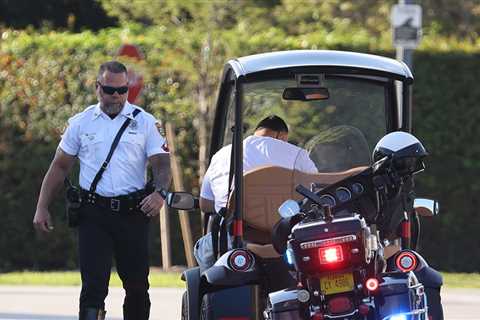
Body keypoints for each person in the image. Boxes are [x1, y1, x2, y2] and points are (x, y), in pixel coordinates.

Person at [33, 61, 171, 320]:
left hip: (133, 213)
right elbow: (60, 167)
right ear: (98, 88)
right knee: (93, 288)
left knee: (137, 286)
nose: (116, 96)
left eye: (122, 90)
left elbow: (162, 165)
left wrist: (159, 193)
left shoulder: (145, 123)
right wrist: (42, 207)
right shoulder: (81, 122)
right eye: (110, 89)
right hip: (94, 214)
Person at [195, 115, 317, 269]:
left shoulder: (222, 155)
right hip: (285, 236)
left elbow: (205, 204)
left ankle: (211, 290)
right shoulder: (298, 154)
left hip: (237, 237)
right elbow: (313, 193)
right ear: (281, 136)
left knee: (202, 247)